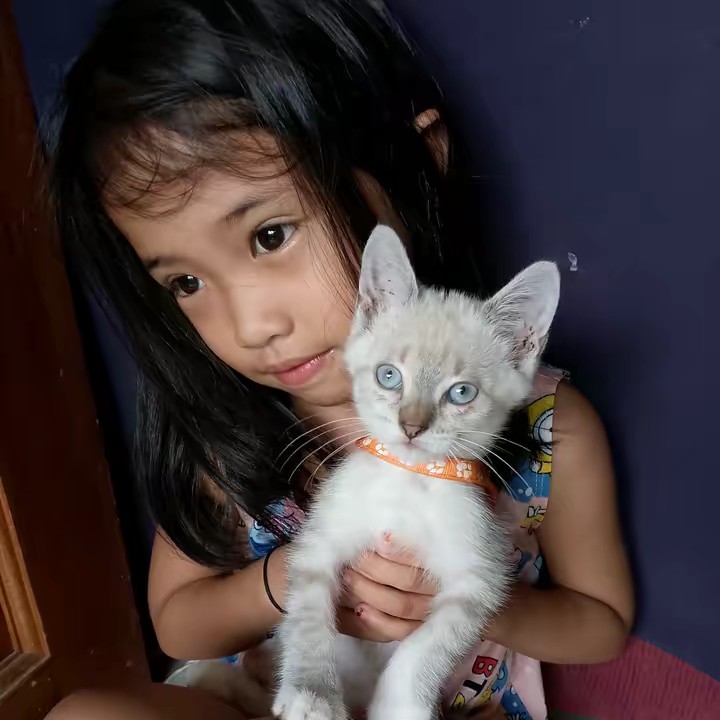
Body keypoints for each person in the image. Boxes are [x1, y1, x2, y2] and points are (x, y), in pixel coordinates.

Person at [46, 1, 634, 718]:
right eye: (186, 283)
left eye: (270, 235)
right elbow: (177, 622)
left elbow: (601, 622)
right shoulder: (230, 429)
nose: (252, 326)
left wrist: (470, 600)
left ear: (417, 161)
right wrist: (295, 575)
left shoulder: (547, 426)